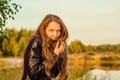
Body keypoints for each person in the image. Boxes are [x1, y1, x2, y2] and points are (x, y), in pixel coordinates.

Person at [22, 14, 69, 80]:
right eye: (51, 30)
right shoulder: (36, 42)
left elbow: (53, 74)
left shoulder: (52, 44)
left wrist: (59, 56)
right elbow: (33, 73)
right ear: (44, 29)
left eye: (58, 31)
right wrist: (55, 54)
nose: (55, 34)